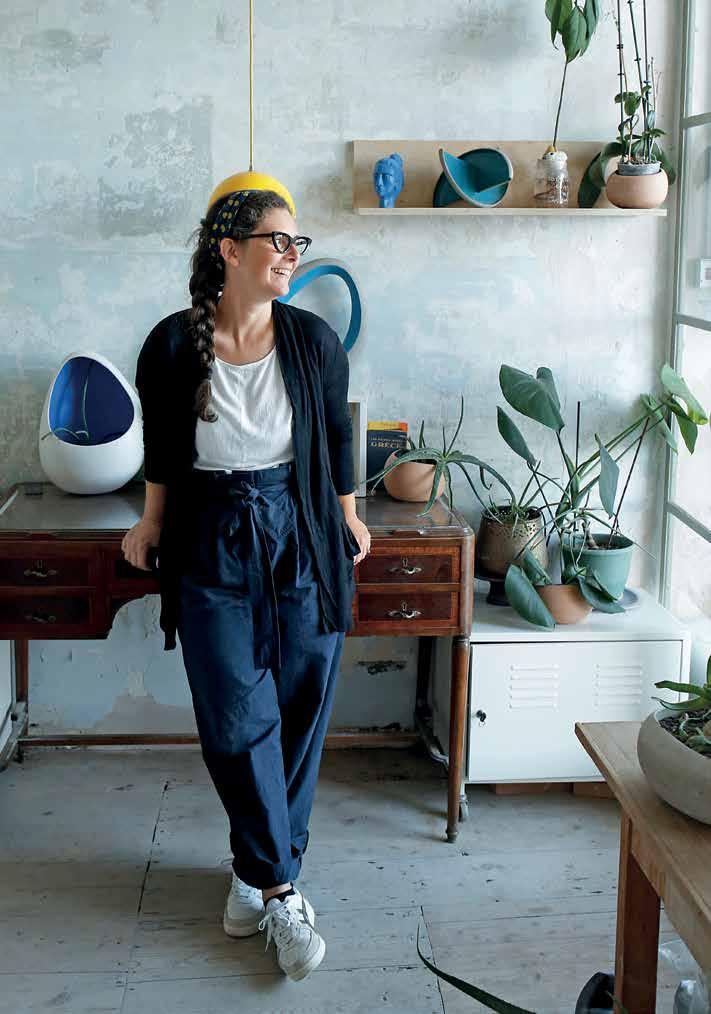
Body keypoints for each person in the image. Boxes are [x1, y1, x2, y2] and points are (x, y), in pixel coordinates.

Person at [121, 181, 371, 982]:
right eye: (278, 241)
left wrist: (347, 517)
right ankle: (281, 889)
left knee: (299, 710)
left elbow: (336, 436)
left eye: (298, 242)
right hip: (210, 536)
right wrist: (152, 522)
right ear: (229, 250)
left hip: (300, 530)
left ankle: (254, 874)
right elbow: (163, 446)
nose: (292, 255)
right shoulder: (172, 344)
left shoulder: (312, 340)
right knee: (235, 719)